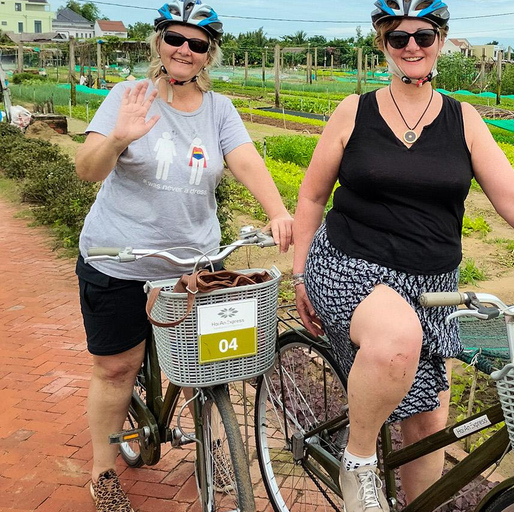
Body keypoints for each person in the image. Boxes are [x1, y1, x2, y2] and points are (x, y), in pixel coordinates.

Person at [291, 1, 514, 510]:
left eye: (424, 35)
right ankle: (359, 462)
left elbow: (513, 195)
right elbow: (311, 197)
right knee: (396, 339)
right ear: (383, 43)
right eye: (399, 37)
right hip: (349, 265)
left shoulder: (464, 119)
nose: (412, 45)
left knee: (430, 421)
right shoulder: (354, 111)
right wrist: (300, 273)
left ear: (440, 40)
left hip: (432, 282)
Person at [74, 2, 293, 511]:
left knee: (210, 367)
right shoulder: (128, 97)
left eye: (197, 43)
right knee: (117, 368)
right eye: (176, 38)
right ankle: (103, 470)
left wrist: (278, 211)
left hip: (194, 269)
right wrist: (121, 137)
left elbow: (244, 159)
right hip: (119, 257)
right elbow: (87, 169)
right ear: (159, 41)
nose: (184, 50)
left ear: (208, 54)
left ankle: (210, 446)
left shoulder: (219, 109)